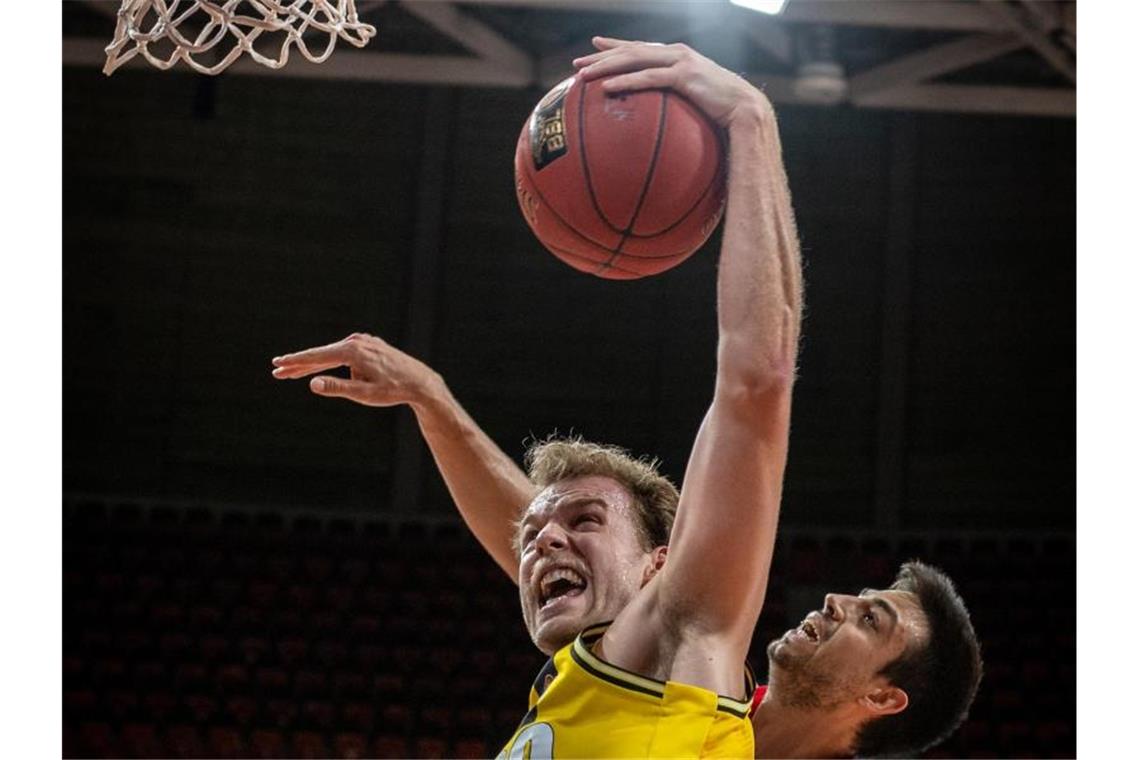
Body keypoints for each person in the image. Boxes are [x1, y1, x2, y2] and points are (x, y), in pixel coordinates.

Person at [272, 39, 981, 758]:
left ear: (886, 698)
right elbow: (538, 532)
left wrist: (750, 121)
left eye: (873, 620)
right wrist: (437, 407)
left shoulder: (688, 648)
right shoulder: (666, 684)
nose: (834, 601)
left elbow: (756, 381)